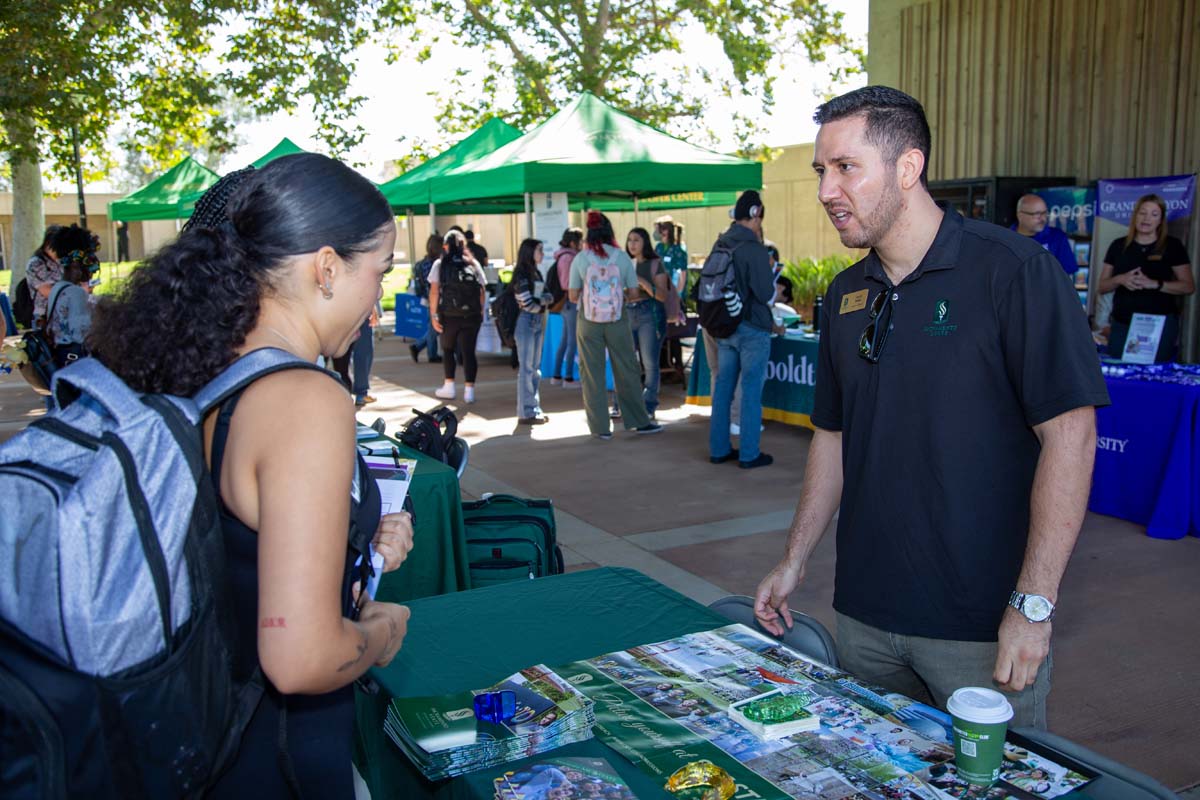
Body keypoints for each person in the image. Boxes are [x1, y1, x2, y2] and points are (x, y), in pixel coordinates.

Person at [753, 86, 1109, 729]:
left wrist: (1033, 606)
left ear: (908, 168)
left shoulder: (1013, 273)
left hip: (979, 630)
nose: (826, 190)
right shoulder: (843, 293)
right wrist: (795, 557)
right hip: (862, 619)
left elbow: (1072, 439)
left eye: (845, 168)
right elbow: (832, 438)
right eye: (820, 171)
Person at [87, 153, 415, 797]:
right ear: (326, 268)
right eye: (378, 274)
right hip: (274, 754)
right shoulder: (305, 399)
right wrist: (380, 632)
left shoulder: (202, 374)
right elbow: (300, 659)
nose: (376, 302)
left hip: (207, 738)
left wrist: (359, 551)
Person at [568, 211, 662, 439]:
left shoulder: (580, 259)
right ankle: (638, 421)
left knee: (592, 374)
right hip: (617, 319)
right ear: (610, 232)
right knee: (627, 368)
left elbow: (572, 296)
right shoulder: (621, 258)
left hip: (588, 321)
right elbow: (632, 292)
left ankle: (600, 428)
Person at [708, 190, 776, 469]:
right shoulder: (754, 248)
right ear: (755, 214)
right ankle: (749, 453)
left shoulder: (720, 244)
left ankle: (719, 449)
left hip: (724, 326)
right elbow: (764, 291)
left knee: (723, 388)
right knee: (750, 390)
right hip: (752, 328)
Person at [1097, 193, 1194, 363]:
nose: (1146, 218)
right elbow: (1102, 286)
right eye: (1142, 213)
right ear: (1135, 216)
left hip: (1158, 326)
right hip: (1123, 324)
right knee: (1121, 374)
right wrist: (1120, 279)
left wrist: (1154, 284)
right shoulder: (1118, 245)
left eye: (1154, 214)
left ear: (1160, 220)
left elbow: (1188, 287)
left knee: (1153, 376)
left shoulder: (1172, 246)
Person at [429, 229, 487, 402]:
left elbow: (434, 292)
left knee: (448, 349)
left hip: (449, 315)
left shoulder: (440, 265)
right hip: (472, 315)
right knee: (469, 352)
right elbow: (482, 289)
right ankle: (469, 391)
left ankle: (449, 386)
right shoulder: (472, 264)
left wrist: (433, 315)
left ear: (445, 246)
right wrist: (481, 311)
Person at [625, 226, 669, 418]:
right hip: (627, 312)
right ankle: (625, 403)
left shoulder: (654, 264)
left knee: (649, 362)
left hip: (648, 314)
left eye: (636, 240)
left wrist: (642, 282)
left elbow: (662, 295)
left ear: (645, 243)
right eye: (629, 240)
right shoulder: (625, 263)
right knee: (626, 360)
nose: (632, 244)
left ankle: (649, 404)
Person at [45, 231, 101, 368]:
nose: (91, 275)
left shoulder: (58, 287)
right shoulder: (76, 293)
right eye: (90, 269)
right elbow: (80, 333)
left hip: (61, 354)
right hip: (76, 358)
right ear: (76, 266)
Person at [512, 237, 550, 424]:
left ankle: (533, 408)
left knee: (534, 369)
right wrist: (542, 303)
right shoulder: (521, 274)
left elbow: (545, 296)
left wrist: (540, 302)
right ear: (530, 252)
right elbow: (526, 303)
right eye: (539, 250)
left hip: (535, 321)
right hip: (526, 322)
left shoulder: (536, 273)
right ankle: (526, 411)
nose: (542, 254)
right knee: (527, 369)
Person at [1011, 194, 1077, 276]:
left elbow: (1067, 272)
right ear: (1020, 215)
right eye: (1037, 214)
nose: (1043, 218)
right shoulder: (1006, 238)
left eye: (1045, 213)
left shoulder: (1057, 237)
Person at [550, 227, 583, 387]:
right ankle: (568, 377)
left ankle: (557, 375)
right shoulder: (569, 258)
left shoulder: (562, 256)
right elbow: (568, 284)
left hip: (565, 303)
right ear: (573, 242)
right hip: (571, 302)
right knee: (572, 341)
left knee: (565, 340)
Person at [409, 233, 443, 363]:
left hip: (425, 297)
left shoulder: (422, 263)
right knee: (434, 326)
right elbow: (434, 285)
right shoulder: (434, 264)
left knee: (433, 325)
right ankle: (425, 350)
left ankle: (424, 349)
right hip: (434, 298)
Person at [26, 224, 63, 327]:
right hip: (45, 315)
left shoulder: (62, 262)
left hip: (66, 311)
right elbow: (47, 291)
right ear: (49, 242)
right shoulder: (36, 263)